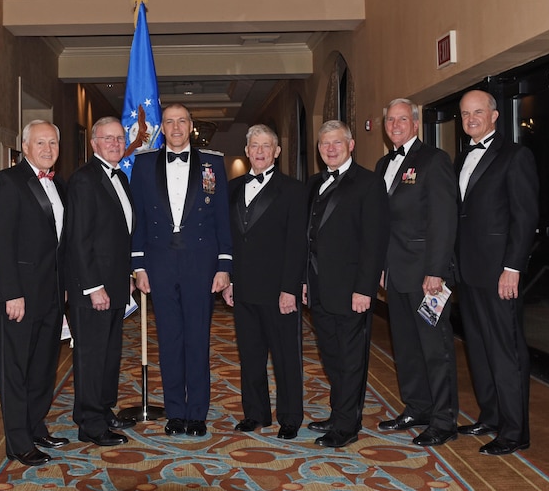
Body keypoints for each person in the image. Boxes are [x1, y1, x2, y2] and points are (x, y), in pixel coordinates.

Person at [130, 103, 233, 437]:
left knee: (198, 338)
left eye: (182, 121)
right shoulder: (144, 164)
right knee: (169, 340)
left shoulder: (212, 162)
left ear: (191, 126)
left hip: (200, 264)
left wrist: (224, 266)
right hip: (159, 263)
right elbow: (138, 219)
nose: (175, 127)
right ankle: (175, 412)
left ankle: (197, 413)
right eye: (169, 122)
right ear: (163, 127)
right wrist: (138, 264)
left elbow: (222, 219)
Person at [454, 89, 539, 456]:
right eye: (465, 113)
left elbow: (525, 217)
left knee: (507, 351)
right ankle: (490, 415)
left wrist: (513, 267)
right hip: (467, 272)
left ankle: (515, 431)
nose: (471, 119)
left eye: (478, 112)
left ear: (494, 115)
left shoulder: (515, 156)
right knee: (479, 347)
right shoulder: (460, 159)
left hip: (499, 272)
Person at [374, 99, 458, 446]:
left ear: (415, 123)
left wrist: (436, 270)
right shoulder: (382, 164)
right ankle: (417, 407)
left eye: (402, 119)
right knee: (406, 346)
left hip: (427, 276)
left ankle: (444, 420)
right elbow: (379, 222)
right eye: (390, 120)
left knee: (434, 348)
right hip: (395, 273)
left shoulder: (434, 160)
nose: (395, 125)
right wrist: (379, 266)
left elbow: (443, 218)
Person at [0, 120, 69, 466]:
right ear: (25, 147)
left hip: (51, 293)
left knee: (42, 366)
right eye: (40, 143)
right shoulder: (8, 181)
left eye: (53, 143)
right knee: (16, 370)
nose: (47, 149)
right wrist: (12, 293)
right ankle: (18, 442)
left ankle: (35, 426)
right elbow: (0, 241)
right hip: (19, 296)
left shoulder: (60, 185)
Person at [303, 120, 389, 448]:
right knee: (331, 356)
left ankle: (346, 426)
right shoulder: (313, 184)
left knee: (351, 359)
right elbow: (307, 239)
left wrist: (365, 289)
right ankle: (339, 412)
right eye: (324, 143)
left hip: (352, 290)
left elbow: (374, 241)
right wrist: (304, 282)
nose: (330, 148)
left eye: (337, 142)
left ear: (351, 145)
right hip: (319, 289)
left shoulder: (368, 183)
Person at [223, 124, 306, 440]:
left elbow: (297, 243)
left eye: (266, 146)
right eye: (254, 145)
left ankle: (289, 417)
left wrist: (290, 288)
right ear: (246, 151)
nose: (259, 151)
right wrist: (229, 280)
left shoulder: (293, 190)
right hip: (243, 288)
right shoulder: (230, 189)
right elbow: (228, 241)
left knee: (286, 357)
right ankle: (255, 413)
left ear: (277, 151)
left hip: (278, 290)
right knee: (250, 355)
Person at [65, 116, 137, 446]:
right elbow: (78, 239)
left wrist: (128, 277)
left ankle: (103, 410)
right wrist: (94, 287)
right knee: (91, 357)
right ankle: (90, 424)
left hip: (116, 285)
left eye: (119, 138)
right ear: (93, 143)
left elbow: (120, 234)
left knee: (109, 355)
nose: (114, 143)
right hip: (93, 288)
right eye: (107, 139)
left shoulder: (120, 176)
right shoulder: (83, 179)